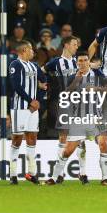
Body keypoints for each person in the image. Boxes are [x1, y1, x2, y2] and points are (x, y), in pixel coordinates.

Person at [47, 51, 107, 186]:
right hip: (78, 118)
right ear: (77, 63)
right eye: (80, 61)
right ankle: (53, 177)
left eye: (85, 60)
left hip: (96, 117)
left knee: (104, 144)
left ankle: (105, 178)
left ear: (89, 62)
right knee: (68, 151)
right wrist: (76, 80)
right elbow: (65, 94)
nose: (82, 63)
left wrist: (96, 89)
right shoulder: (72, 77)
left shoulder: (97, 74)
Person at [8, 41, 46, 185]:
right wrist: (31, 100)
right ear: (24, 50)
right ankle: (12, 174)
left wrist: (38, 99)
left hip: (32, 108)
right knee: (17, 139)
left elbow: (44, 81)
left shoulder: (34, 66)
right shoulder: (15, 65)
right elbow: (16, 86)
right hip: (20, 107)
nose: (33, 52)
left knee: (32, 138)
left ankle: (32, 173)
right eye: (31, 49)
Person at [42, 36, 79, 183]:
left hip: (78, 103)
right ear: (66, 45)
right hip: (63, 103)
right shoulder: (56, 62)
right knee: (63, 137)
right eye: (74, 44)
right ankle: (60, 173)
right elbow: (41, 71)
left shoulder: (78, 62)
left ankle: (82, 173)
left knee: (79, 138)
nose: (76, 47)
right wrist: (43, 85)